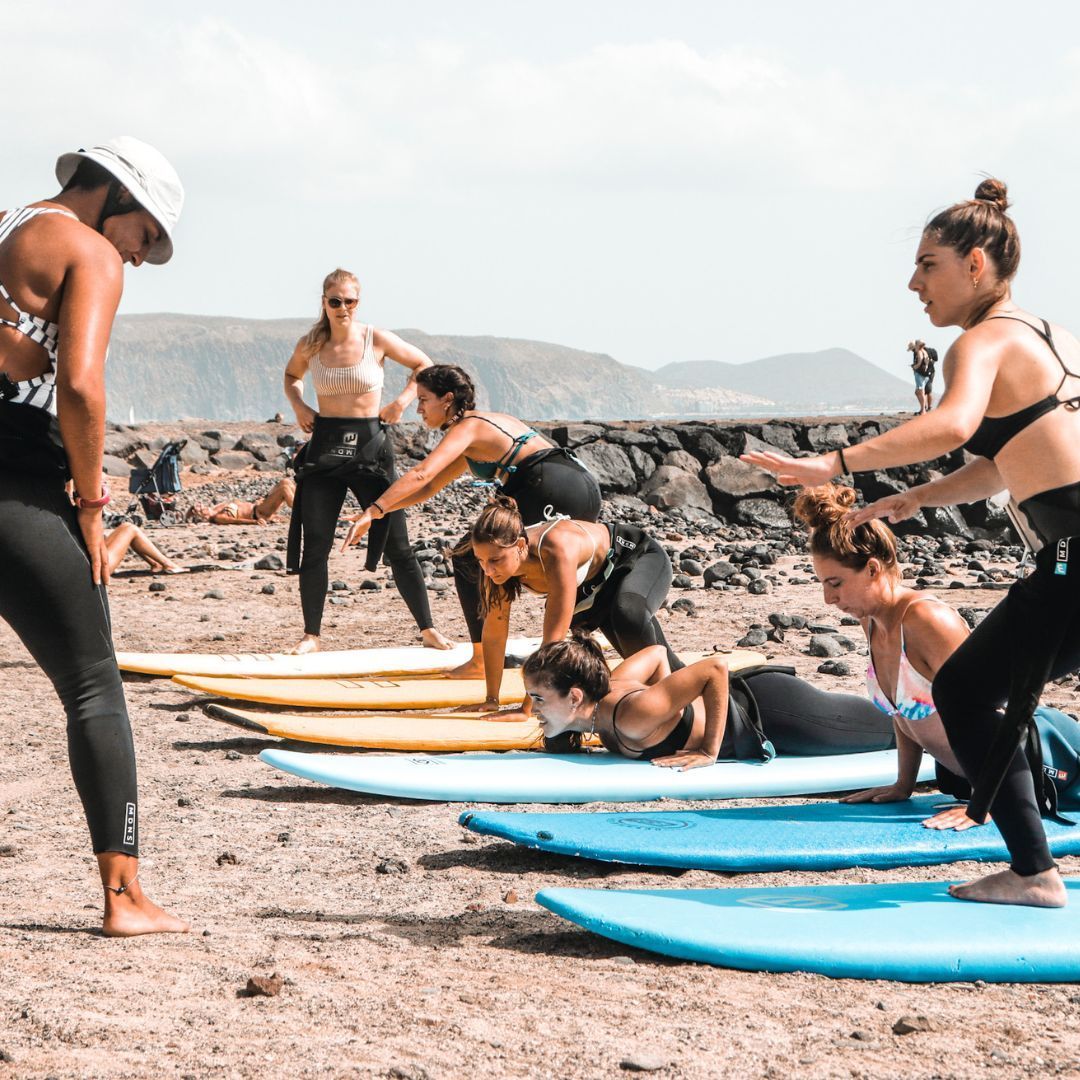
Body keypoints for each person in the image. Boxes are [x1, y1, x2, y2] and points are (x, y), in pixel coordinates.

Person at [744, 178, 1080, 908]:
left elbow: (956, 425)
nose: (913, 282)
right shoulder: (1045, 337)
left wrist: (834, 463)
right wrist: (916, 497)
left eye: (928, 264)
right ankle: (1032, 868)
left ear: (975, 266)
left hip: (1072, 556)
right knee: (978, 688)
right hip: (1066, 553)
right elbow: (1005, 459)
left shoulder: (980, 343)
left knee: (963, 687)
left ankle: (1033, 872)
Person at [0, 137, 188, 935]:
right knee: (92, 681)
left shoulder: (8, 227)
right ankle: (125, 900)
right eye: (146, 236)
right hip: (18, 479)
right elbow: (78, 385)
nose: (139, 259)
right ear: (114, 195)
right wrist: (89, 496)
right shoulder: (91, 254)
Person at [791, 484, 1080, 815]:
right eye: (823, 585)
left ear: (872, 569)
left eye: (835, 583)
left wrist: (987, 806)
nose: (829, 599)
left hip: (1044, 760)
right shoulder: (871, 620)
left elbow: (997, 713)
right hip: (970, 777)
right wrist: (904, 785)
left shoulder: (927, 620)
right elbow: (902, 711)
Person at [340, 364, 601, 675]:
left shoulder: (469, 427)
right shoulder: (474, 433)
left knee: (471, 558)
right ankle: (579, 647)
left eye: (424, 400)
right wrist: (381, 511)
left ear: (447, 399)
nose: (419, 409)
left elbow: (422, 472)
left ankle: (483, 661)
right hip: (576, 482)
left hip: (549, 484)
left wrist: (373, 510)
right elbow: (430, 487)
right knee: (566, 565)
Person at [282, 269, 453, 655]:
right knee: (317, 546)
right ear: (324, 302)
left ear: (359, 302)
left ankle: (428, 629)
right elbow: (292, 374)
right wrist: (298, 405)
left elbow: (423, 365)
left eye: (350, 301)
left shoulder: (375, 339)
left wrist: (402, 402)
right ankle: (311, 635)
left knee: (399, 545)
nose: (343, 308)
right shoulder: (311, 343)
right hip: (324, 447)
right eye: (335, 301)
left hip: (371, 447)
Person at [522, 631, 896, 764]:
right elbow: (654, 652)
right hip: (761, 705)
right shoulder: (607, 696)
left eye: (538, 699)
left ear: (574, 696)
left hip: (775, 712)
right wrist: (679, 710)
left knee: (897, 729)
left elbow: (715, 668)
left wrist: (707, 750)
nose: (533, 709)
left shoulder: (633, 715)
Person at [466, 496, 678, 715]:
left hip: (635, 555)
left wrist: (527, 708)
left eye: (494, 560)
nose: (488, 570)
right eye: (480, 560)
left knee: (628, 616)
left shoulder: (555, 549)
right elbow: (494, 635)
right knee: (594, 646)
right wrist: (492, 699)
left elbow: (552, 638)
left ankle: (673, 702)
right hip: (595, 586)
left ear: (520, 546)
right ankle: (683, 683)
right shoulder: (497, 570)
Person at [187, 476, 295, 525]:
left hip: (259, 505)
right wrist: (254, 522)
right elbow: (236, 521)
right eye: (200, 509)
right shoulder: (218, 517)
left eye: (199, 505)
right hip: (258, 512)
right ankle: (302, 509)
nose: (202, 506)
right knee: (284, 489)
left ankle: (305, 501)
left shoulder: (217, 507)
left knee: (285, 481)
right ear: (202, 516)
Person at [106, 521, 188, 574]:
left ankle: (156, 564)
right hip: (98, 568)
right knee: (131, 529)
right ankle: (168, 564)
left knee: (126, 526)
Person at [909, 339, 932, 413]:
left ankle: (923, 409)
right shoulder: (924, 351)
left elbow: (920, 361)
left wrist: (915, 367)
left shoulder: (919, 351)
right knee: (918, 391)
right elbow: (926, 362)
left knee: (921, 391)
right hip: (924, 374)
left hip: (919, 373)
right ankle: (923, 408)